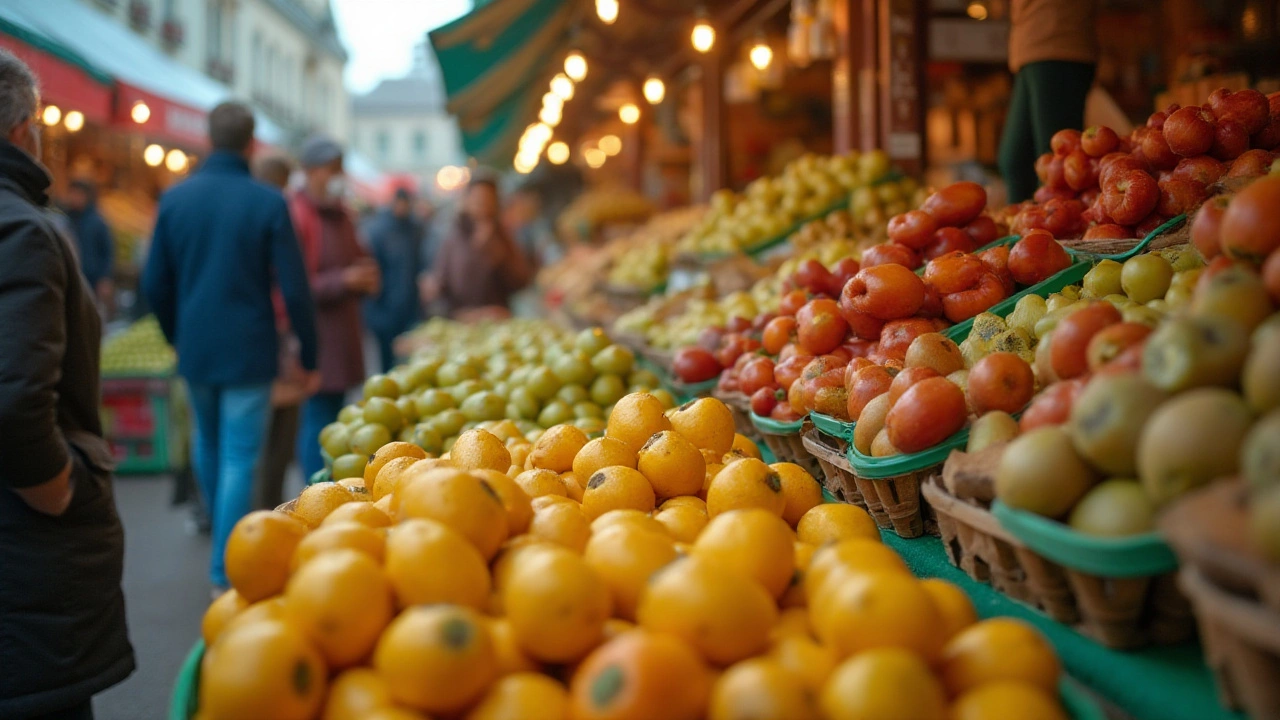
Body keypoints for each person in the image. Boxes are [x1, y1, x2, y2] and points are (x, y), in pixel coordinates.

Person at [0, 48, 134, 720]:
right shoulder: (22, 230)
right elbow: (16, 404)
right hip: (22, 562)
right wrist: (61, 489)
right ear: (23, 129)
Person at [142, 102, 319, 594]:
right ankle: (225, 569)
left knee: (208, 441)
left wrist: (176, 332)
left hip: (196, 345)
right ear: (250, 143)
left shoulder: (175, 201)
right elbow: (296, 287)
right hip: (249, 347)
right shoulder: (267, 202)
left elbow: (154, 281)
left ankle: (224, 545)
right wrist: (309, 353)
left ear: (208, 137)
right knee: (241, 455)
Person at [289, 136, 380, 480]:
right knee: (317, 422)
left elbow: (358, 256)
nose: (337, 176)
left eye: (340, 169)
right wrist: (344, 280)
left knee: (334, 421)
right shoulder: (297, 215)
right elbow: (294, 285)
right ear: (310, 172)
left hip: (343, 335)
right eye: (331, 170)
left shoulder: (342, 213)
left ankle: (328, 489)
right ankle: (314, 494)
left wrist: (366, 273)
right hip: (314, 338)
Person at [997, 0, 1099, 203]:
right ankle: (1026, 229)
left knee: (1055, 169)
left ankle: (1051, 231)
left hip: (1058, 42)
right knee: (1015, 161)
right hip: (1029, 47)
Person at [252, 154, 306, 509]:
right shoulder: (276, 213)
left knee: (247, 441)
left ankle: (249, 511)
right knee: (277, 435)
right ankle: (266, 509)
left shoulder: (243, 213)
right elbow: (292, 287)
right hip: (276, 336)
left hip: (248, 338)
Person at [425, 176, 533, 321]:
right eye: (478, 198)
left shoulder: (503, 235)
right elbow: (441, 285)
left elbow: (521, 280)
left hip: (497, 320)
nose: (482, 204)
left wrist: (494, 251)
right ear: (467, 200)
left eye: (488, 199)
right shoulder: (453, 237)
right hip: (462, 322)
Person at [363, 186, 427, 372]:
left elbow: (419, 262)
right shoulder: (378, 230)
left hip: (409, 305)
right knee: (386, 358)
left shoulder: (414, 229)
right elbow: (373, 267)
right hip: (384, 307)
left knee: (408, 356)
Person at [62, 178, 114, 310]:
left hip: (91, 278)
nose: (74, 197)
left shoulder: (97, 222)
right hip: (71, 277)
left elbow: (107, 252)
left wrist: (105, 278)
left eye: (77, 194)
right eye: (72, 193)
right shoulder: (66, 219)